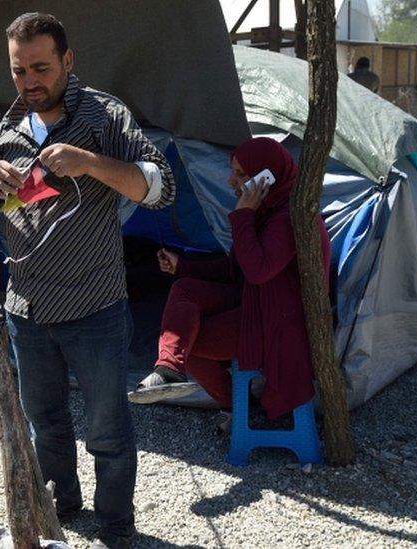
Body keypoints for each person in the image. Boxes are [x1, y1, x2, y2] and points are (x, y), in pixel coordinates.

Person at [0, 13, 175, 549]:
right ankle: (61, 505)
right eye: (19, 71)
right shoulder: (9, 126)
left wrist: (89, 161)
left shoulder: (104, 116)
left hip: (94, 306)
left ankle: (116, 526)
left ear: (67, 61)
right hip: (26, 310)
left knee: (107, 431)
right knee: (45, 424)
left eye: (40, 67)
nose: (30, 81)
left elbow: (158, 187)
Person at [128, 137, 330, 429]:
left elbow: (258, 270)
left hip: (277, 320)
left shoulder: (288, 216)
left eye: (241, 174)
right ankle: (169, 369)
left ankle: (241, 408)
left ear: (267, 176)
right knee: (184, 289)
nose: (231, 180)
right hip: (254, 299)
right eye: (233, 171)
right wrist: (183, 266)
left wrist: (244, 214)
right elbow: (237, 268)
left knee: (191, 343)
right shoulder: (270, 209)